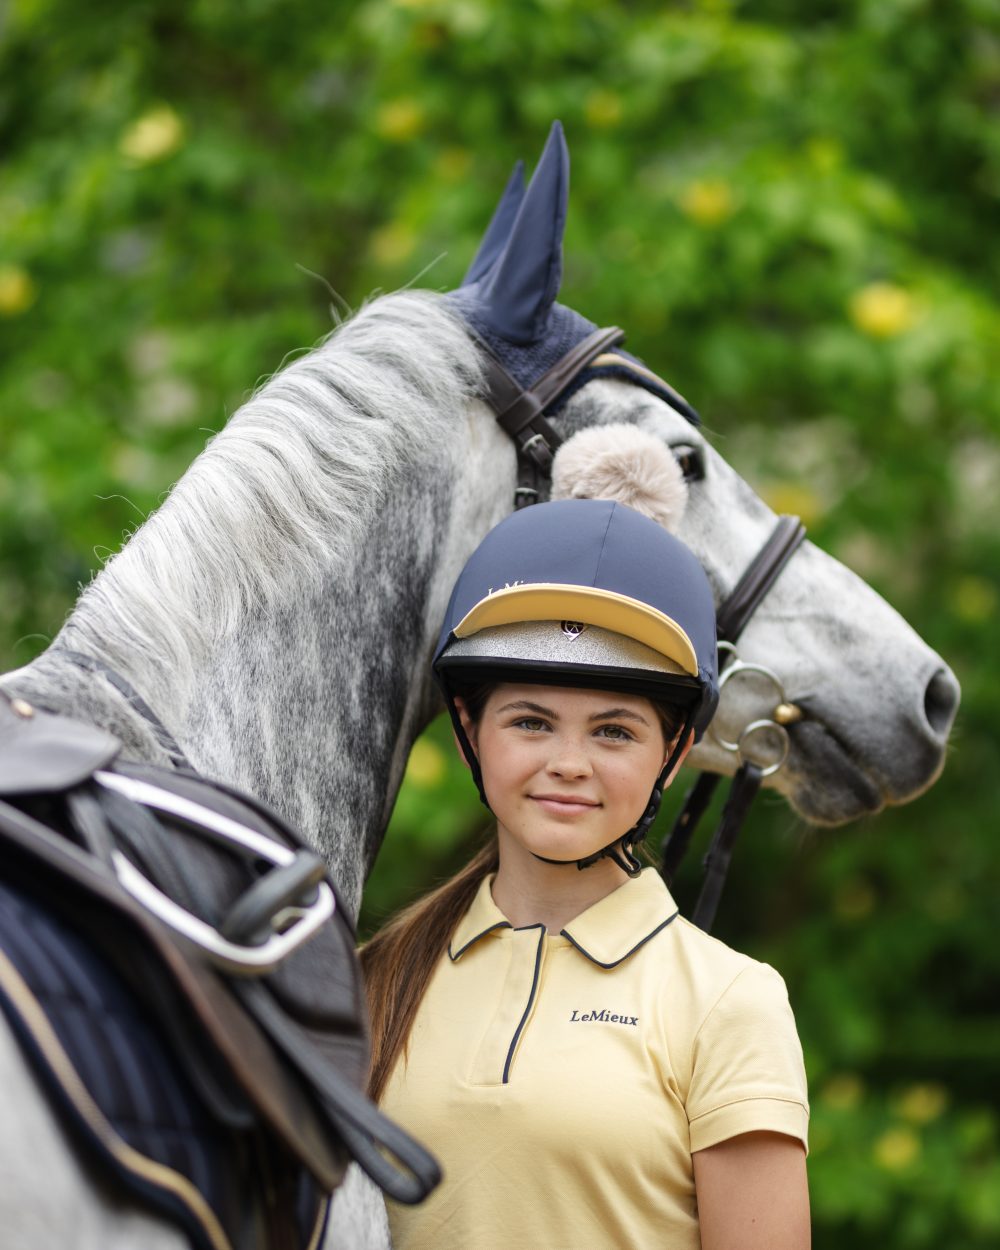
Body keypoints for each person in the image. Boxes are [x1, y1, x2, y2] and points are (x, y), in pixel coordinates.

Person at [362, 498, 810, 1250]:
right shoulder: (373, 979)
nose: (568, 764)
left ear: (674, 750)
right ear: (470, 731)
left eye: (613, 731)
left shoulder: (732, 1004)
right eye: (531, 721)